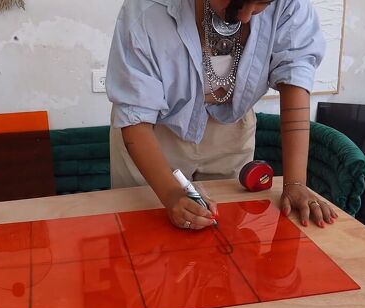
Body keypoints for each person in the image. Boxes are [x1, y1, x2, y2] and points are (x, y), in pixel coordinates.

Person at [106, 0, 338, 230]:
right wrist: (171, 193)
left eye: (263, 3)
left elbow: (294, 77)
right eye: (238, 1)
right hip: (152, 134)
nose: (247, 16)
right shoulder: (146, 9)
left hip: (232, 128)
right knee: (145, 234)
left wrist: (296, 182)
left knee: (224, 234)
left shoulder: (290, 5)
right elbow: (135, 116)